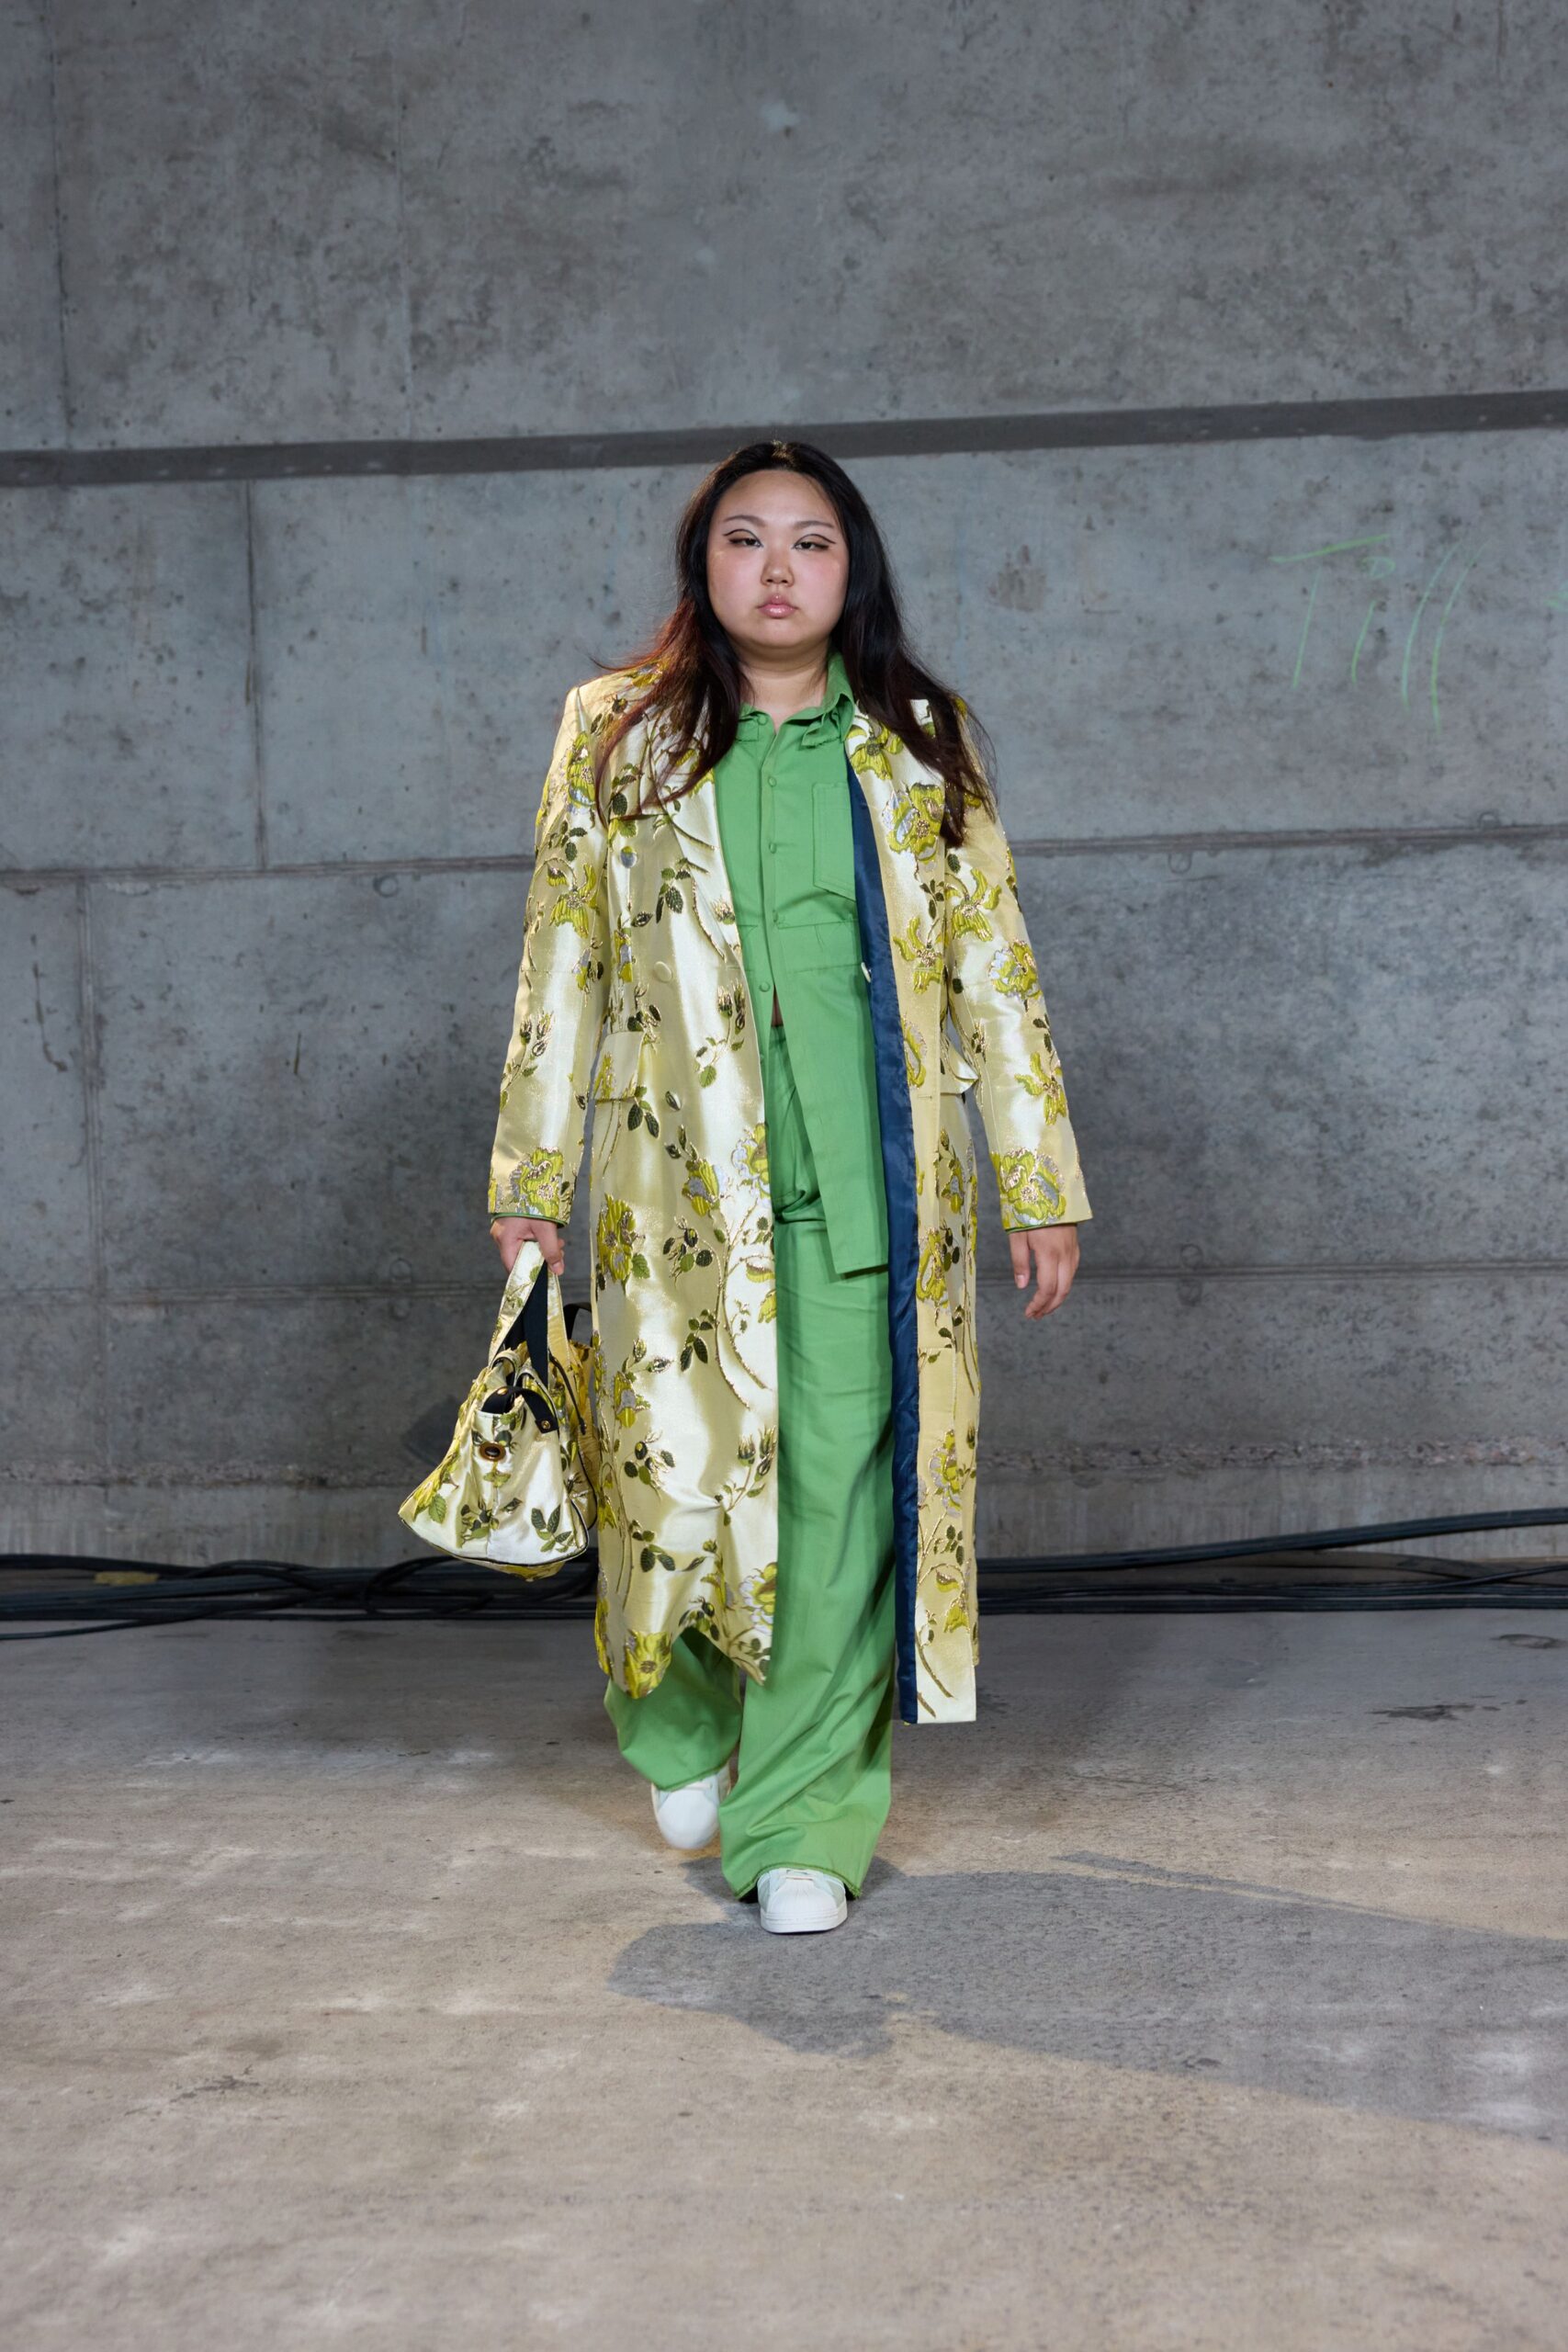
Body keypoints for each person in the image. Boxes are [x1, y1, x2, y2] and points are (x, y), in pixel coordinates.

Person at [487, 437, 1092, 1935]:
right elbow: (562, 955)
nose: (776, 569)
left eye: (810, 542)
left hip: (873, 1199)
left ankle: (805, 1824)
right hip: (669, 1197)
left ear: (851, 569)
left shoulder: (920, 739)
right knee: (671, 1484)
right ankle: (682, 1724)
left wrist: (1038, 1179)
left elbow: (994, 968)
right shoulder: (616, 733)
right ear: (703, 566)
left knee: (840, 1514)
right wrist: (530, 1173)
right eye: (745, 539)